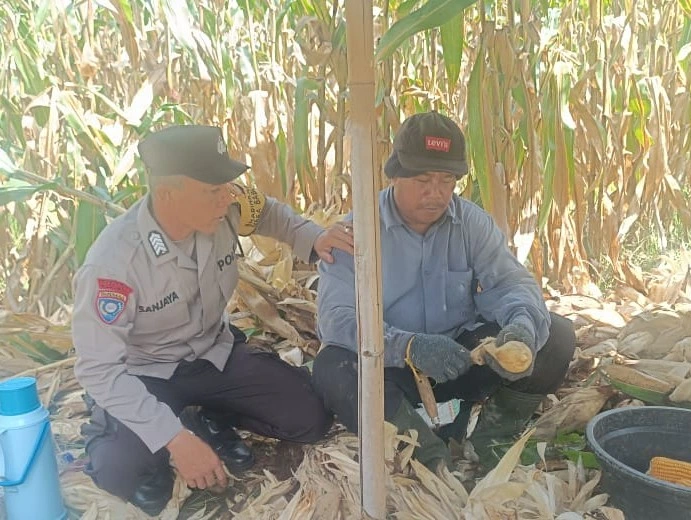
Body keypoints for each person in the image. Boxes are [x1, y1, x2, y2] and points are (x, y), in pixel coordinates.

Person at [72, 125, 354, 516]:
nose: (227, 197)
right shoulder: (114, 265)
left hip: (214, 354)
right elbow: (98, 369)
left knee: (309, 417)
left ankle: (209, 417)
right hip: (148, 372)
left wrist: (313, 237)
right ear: (167, 194)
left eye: (226, 187)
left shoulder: (226, 207)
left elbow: (271, 214)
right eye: (212, 191)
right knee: (119, 470)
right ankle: (142, 429)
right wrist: (174, 439)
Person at [312, 112, 576, 470]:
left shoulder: (471, 223)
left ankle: (491, 439)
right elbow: (336, 319)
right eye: (423, 180)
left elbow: (510, 283)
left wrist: (520, 330)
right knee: (333, 368)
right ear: (395, 174)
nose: (436, 193)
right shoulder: (357, 231)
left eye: (447, 180)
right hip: (393, 368)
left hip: (461, 359)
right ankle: (427, 454)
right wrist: (409, 346)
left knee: (556, 334)